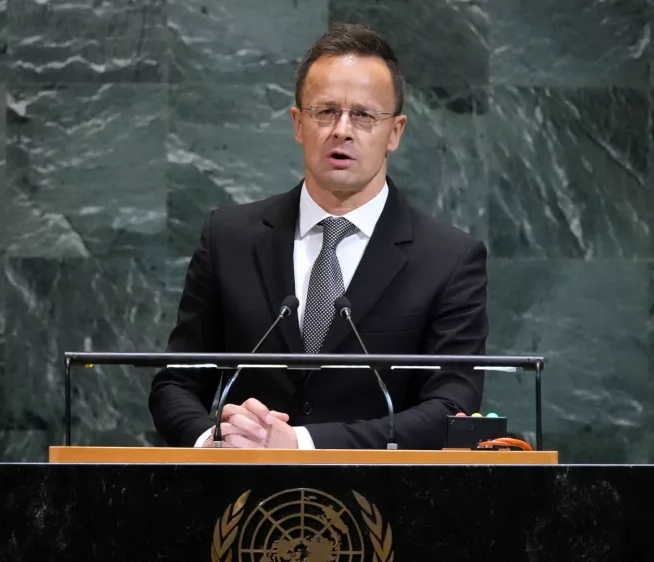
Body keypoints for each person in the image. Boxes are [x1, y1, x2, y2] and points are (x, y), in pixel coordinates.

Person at [149, 22, 488, 450]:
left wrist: (300, 442)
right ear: (298, 123)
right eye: (325, 112)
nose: (341, 130)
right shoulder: (229, 239)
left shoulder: (448, 259)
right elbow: (176, 382)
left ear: (395, 132)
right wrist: (213, 441)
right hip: (240, 486)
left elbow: (450, 408)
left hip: (383, 490)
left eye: (363, 115)